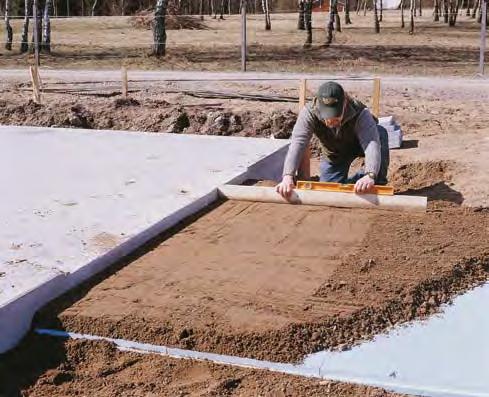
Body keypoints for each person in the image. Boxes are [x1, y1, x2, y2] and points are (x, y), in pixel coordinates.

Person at [276, 81, 390, 198]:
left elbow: (371, 144)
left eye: (336, 115)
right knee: (329, 191)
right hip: (335, 152)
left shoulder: (360, 112)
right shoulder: (309, 112)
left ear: (344, 103)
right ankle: (357, 182)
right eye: (327, 115)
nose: (331, 120)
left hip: (360, 145)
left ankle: (376, 180)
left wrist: (370, 174)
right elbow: (298, 143)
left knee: (380, 133)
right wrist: (288, 175)